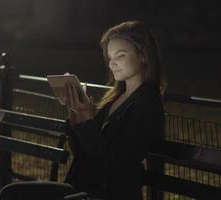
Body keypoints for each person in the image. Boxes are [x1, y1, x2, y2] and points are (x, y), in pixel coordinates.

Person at [64, 20, 166, 200]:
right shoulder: (115, 98)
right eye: (110, 58)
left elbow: (112, 162)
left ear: (143, 55)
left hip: (108, 194)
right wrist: (77, 121)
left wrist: (88, 123)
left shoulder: (148, 104)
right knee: (16, 192)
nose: (112, 64)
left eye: (120, 56)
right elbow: (84, 153)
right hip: (83, 191)